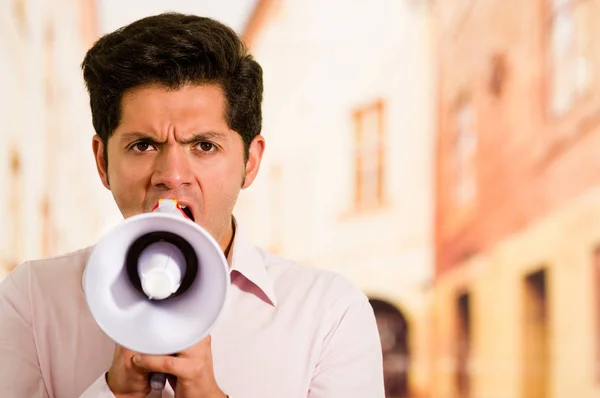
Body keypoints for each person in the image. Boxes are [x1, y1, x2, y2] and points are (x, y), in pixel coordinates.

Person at [0, 12, 385, 398]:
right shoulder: (30, 301)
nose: (172, 175)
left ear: (250, 162)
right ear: (102, 162)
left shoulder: (330, 315)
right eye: (143, 145)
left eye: (204, 146)